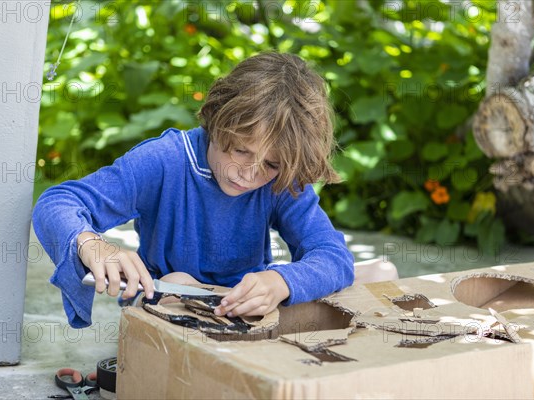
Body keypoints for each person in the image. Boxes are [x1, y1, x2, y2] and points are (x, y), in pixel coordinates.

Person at [33, 52, 397, 329]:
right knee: (177, 284)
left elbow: (331, 254)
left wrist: (281, 280)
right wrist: (92, 243)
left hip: (250, 306)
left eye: (269, 165)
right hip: (176, 304)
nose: (249, 174)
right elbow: (58, 202)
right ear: (218, 118)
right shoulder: (165, 160)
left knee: (383, 272)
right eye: (241, 150)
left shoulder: (281, 177)